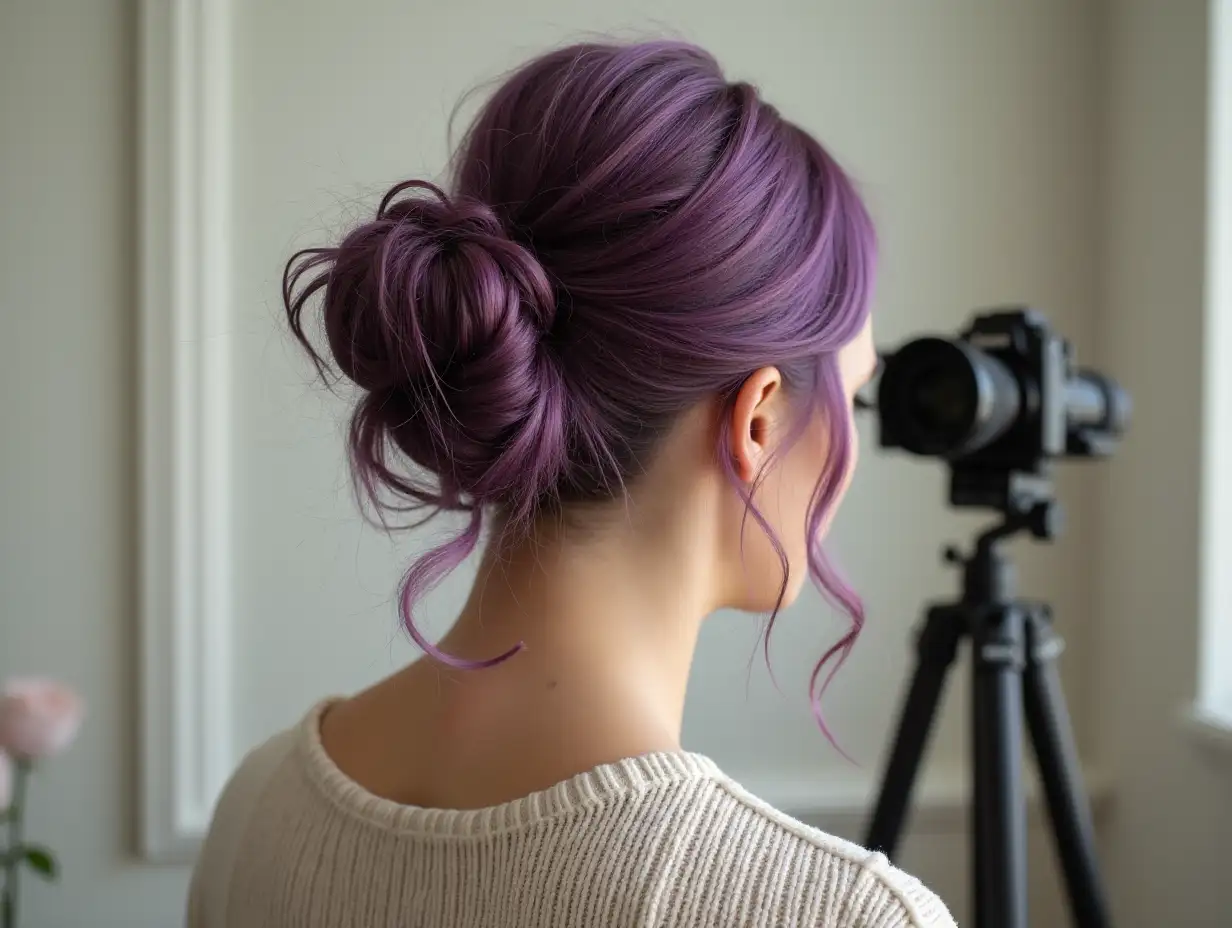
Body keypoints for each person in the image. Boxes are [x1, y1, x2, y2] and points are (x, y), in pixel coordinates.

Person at [188, 39, 956, 928]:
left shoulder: (256, 809)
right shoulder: (846, 916)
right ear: (758, 420)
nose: (850, 453)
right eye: (852, 399)